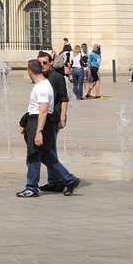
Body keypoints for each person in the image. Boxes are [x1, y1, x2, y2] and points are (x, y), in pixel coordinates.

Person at [34, 51, 80, 195]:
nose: (42, 66)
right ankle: (55, 181)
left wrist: (62, 117)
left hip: (54, 118)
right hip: (45, 118)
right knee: (49, 150)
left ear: (51, 63)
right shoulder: (41, 78)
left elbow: (64, 98)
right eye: (39, 63)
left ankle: (64, 180)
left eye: (45, 63)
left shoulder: (57, 77)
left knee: (49, 150)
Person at [17, 59, 58, 198]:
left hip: (38, 123)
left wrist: (38, 131)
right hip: (34, 121)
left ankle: (32, 187)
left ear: (30, 71)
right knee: (46, 155)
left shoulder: (42, 87)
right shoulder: (42, 85)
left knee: (33, 155)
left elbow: (43, 111)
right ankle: (69, 179)